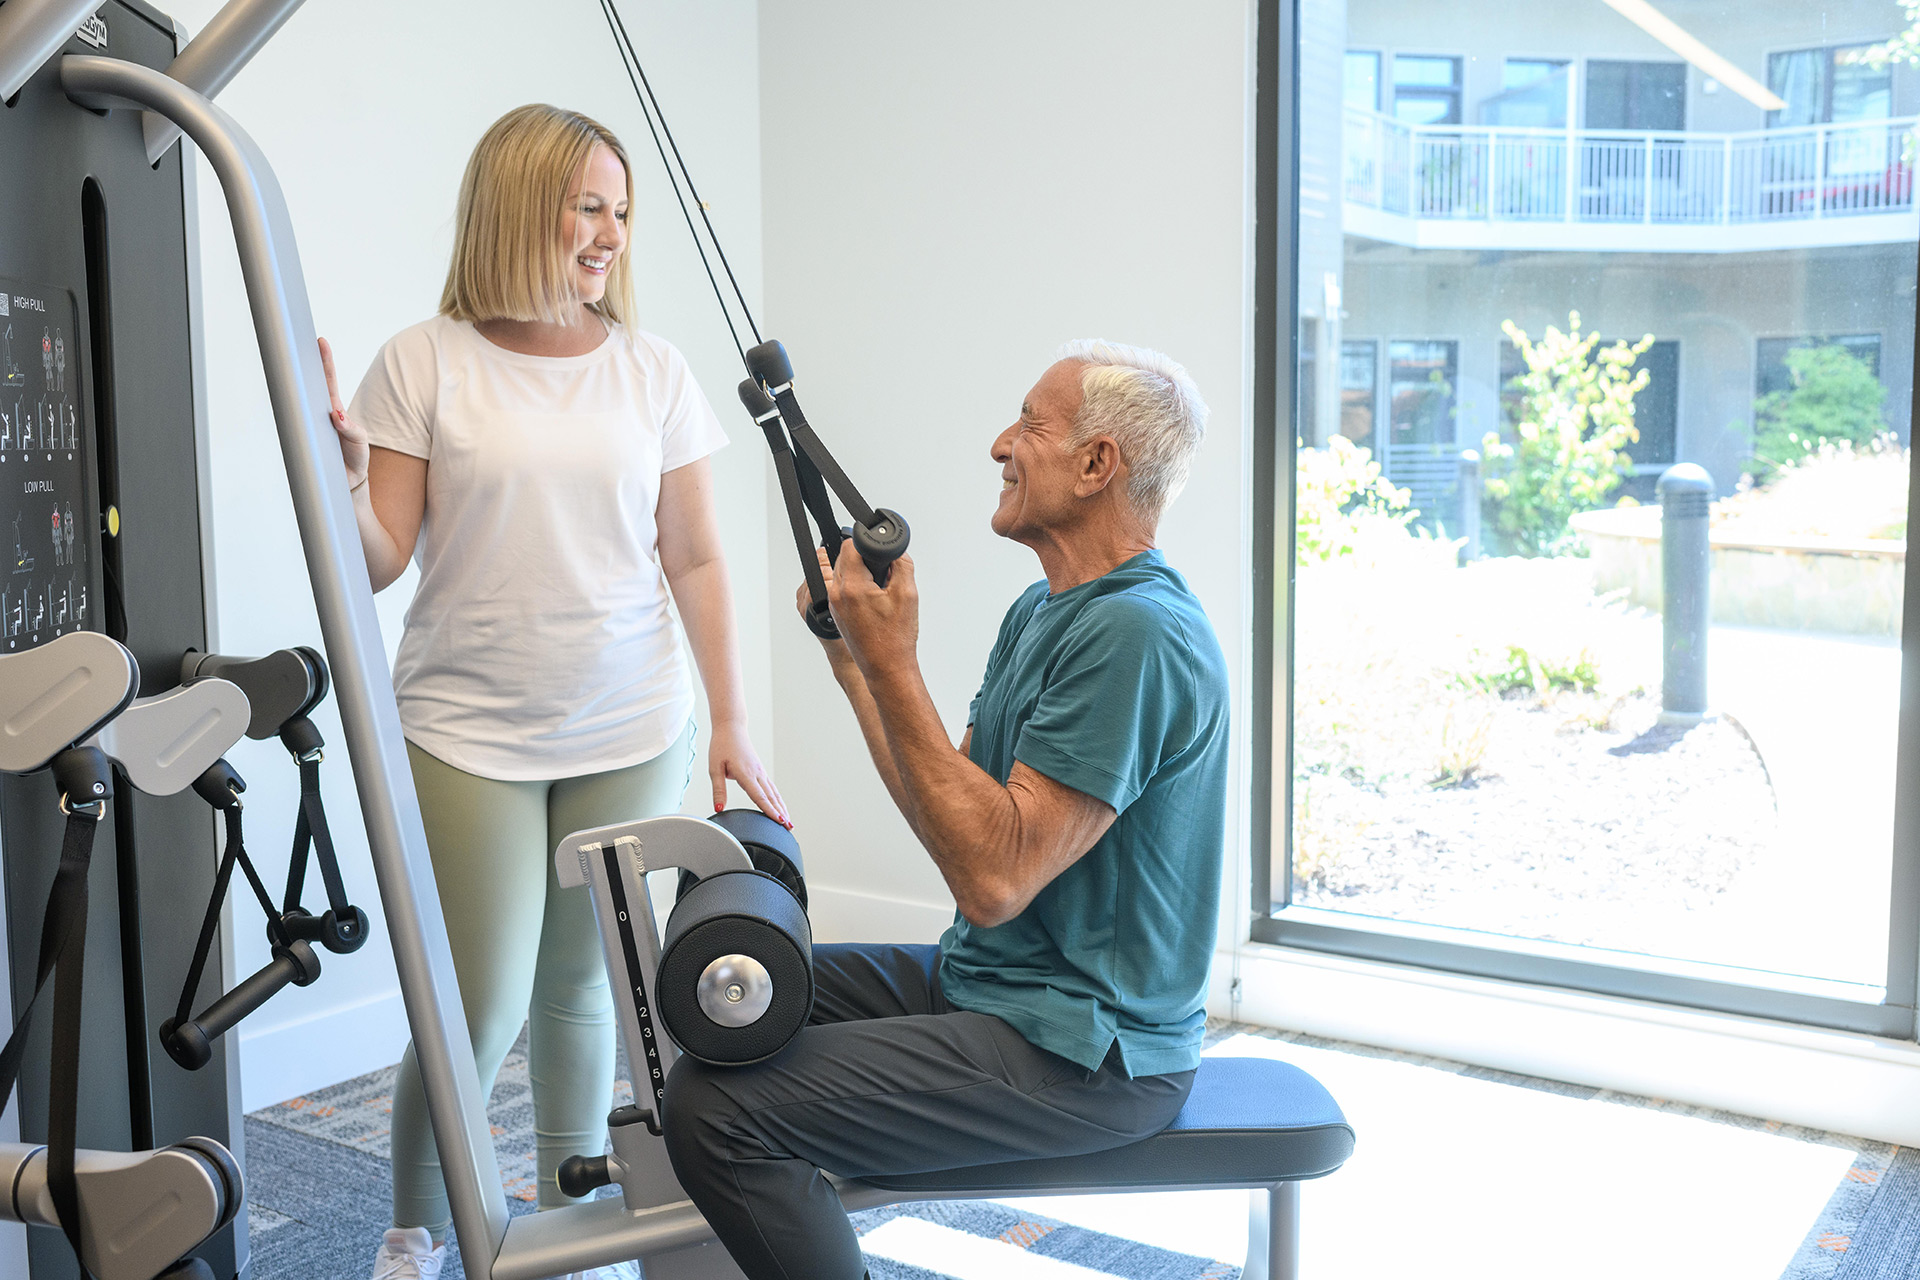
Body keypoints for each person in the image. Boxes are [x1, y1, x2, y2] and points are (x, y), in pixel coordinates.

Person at [321, 104, 785, 1280]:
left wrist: (729, 718)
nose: (610, 234)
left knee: (587, 989)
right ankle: (415, 1231)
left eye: (621, 211)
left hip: (629, 716)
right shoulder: (424, 359)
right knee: (470, 1005)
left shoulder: (653, 370)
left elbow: (694, 556)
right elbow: (378, 558)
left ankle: (575, 1216)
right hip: (466, 728)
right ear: (521, 205)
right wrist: (340, 485)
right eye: (589, 205)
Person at [663, 340, 1228, 1280]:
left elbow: (992, 877)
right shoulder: (1046, 609)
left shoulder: (1139, 633)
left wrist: (896, 665)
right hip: (999, 987)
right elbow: (953, 805)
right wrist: (858, 663)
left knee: (716, 1113)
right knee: (730, 1004)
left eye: (1031, 427)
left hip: (1085, 1051)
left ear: (1098, 465)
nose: (1001, 444)